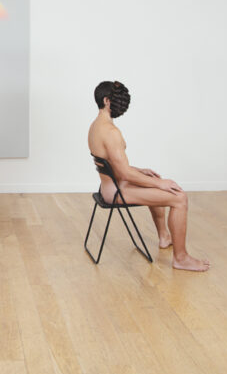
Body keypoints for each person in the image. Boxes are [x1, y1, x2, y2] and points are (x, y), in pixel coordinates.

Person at [87, 81, 210, 271]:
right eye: (118, 100)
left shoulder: (96, 126)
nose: (122, 105)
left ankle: (164, 236)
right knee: (179, 198)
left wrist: (141, 171)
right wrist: (160, 184)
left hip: (109, 187)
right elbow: (124, 173)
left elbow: (113, 165)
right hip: (117, 192)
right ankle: (181, 258)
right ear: (106, 101)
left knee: (153, 180)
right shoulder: (111, 132)